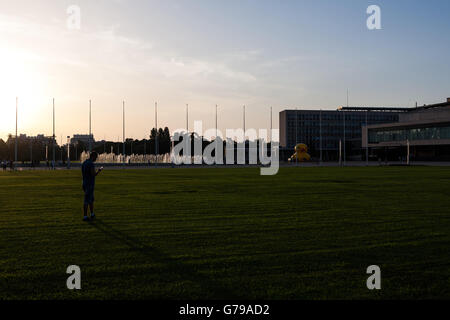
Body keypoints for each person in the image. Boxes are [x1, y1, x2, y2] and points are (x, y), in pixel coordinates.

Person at [81, 152, 103, 221]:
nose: (96, 159)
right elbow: (93, 174)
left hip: (84, 182)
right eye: (95, 158)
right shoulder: (91, 164)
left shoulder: (84, 163)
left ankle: (92, 213)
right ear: (93, 156)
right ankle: (85, 216)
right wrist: (99, 171)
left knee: (91, 200)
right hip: (89, 184)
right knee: (87, 200)